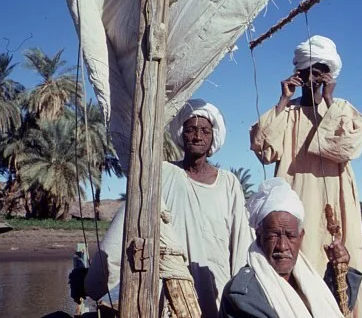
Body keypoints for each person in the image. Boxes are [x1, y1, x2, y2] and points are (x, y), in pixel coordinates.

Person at [84, 99, 253, 317]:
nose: (197, 136)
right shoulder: (162, 173)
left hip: (216, 285)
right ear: (182, 134)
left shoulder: (229, 183)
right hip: (169, 286)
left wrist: (238, 297)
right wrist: (97, 277)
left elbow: (240, 244)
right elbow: (127, 225)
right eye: (191, 130)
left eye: (205, 131)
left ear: (213, 138)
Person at [250, 35, 362, 317]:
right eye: (307, 72)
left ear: (330, 76)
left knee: (343, 266)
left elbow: (345, 148)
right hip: (297, 200)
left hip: (336, 204)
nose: (313, 79)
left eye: (320, 72)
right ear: (298, 74)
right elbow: (264, 149)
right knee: (298, 263)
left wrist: (328, 101)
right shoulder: (287, 114)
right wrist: (283, 99)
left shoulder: (341, 111)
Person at [219, 178, 362, 318]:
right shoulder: (242, 294)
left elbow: (334, 308)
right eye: (273, 236)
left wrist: (339, 270)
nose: (282, 246)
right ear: (259, 236)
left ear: (301, 236)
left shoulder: (308, 278)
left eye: (290, 236)